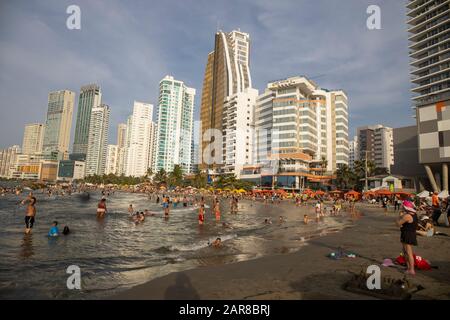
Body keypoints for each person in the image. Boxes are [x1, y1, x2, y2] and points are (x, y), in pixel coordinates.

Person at [396, 200, 418, 275]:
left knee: (408, 252)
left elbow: (398, 223)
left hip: (407, 234)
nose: (401, 207)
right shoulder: (414, 214)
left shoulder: (407, 216)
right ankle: (408, 267)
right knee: (405, 251)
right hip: (410, 233)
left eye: (402, 206)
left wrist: (399, 215)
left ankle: (411, 270)